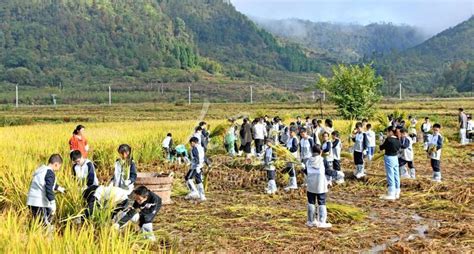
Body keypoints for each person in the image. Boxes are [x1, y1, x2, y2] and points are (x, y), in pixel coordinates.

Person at [26, 154, 66, 228]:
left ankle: (32, 236)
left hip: (31, 201)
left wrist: (59, 188)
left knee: (36, 223)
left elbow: (46, 183)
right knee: (45, 225)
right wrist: (53, 203)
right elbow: (48, 189)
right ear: (56, 164)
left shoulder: (41, 170)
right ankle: (47, 239)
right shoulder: (50, 172)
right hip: (40, 203)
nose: (59, 169)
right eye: (59, 166)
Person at [305, 145, 332, 228]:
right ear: (320, 151)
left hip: (310, 184)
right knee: (321, 202)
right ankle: (322, 222)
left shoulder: (308, 161)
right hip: (320, 185)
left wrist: (303, 169)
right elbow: (328, 172)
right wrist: (337, 174)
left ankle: (311, 221)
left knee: (311, 202)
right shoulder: (322, 160)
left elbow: (306, 172)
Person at [379, 126, 401, 200]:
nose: (387, 133)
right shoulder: (398, 139)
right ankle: (397, 192)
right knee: (396, 174)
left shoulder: (389, 139)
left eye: (387, 132)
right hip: (395, 158)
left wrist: (381, 141)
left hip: (389, 157)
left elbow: (382, 147)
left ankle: (391, 193)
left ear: (391, 132)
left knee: (390, 174)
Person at [184, 137, 206, 201]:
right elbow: (204, 157)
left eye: (190, 143)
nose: (190, 145)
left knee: (188, 178)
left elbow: (196, 158)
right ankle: (202, 196)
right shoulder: (201, 148)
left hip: (195, 167)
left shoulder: (194, 148)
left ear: (193, 142)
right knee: (198, 181)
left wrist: (193, 164)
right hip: (200, 166)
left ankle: (194, 192)